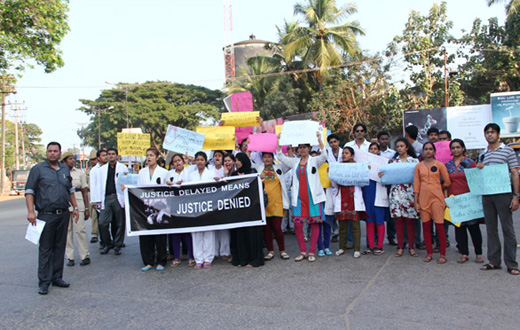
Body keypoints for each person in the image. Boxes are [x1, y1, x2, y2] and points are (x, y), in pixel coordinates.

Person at [25, 142, 80, 295]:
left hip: (63, 214)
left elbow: (70, 190)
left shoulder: (64, 169)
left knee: (59, 247)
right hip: (45, 215)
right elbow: (29, 191)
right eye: (50, 151)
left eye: (55, 151)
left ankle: (57, 277)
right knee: (45, 249)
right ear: (46, 153)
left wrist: (75, 208)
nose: (52, 153)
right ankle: (44, 282)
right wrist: (31, 212)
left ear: (59, 153)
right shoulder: (38, 169)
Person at [277, 131, 327, 262]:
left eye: (305, 147)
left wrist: (320, 140)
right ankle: (303, 251)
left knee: (315, 224)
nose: (302, 149)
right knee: (298, 225)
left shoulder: (315, 160)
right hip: (298, 198)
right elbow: (281, 157)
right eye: (300, 147)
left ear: (309, 148)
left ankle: (311, 252)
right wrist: (278, 141)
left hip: (313, 198)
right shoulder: (295, 162)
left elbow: (325, 155)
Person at [478, 123, 520, 275]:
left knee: (507, 229)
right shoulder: (483, 154)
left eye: (492, 132)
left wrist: (516, 196)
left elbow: (514, 173)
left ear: (498, 134)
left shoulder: (508, 151)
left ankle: (512, 263)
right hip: (487, 195)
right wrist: (479, 167)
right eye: (487, 132)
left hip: (503, 194)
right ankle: (494, 261)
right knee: (491, 229)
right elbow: (480, 176)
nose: (490, 135)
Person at [445, 139, 483, 264]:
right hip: (455, 200)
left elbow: (476, 179)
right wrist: (447, 199)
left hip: (469, 199)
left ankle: (478, 253)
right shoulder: (448, 165)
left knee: (473, 227)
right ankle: (464, 253)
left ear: (463, 148)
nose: (455, 150)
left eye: (458, 147)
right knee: (459, 228)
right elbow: (445, 183)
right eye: (453, 148)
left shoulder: (469, 163)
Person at [380, 138, 419, 258]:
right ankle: (400, 246)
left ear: (407, 147)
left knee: (410, 221)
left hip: (409, 194)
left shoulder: (414, 161)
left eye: (402, 146)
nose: (400, 148)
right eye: (398, 146)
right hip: (396, 194)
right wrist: (381, 175)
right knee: (398, 221)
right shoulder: (392, 162)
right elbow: (385, 177)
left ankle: (411, 246)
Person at [414, 142, 451, 264]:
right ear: (423, 151)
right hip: (423, 199)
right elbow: (416, 185)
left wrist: (438, 188)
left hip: (437, 198)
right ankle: (429, 253)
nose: (428, 151)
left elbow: (447, 181)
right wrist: (416, 202)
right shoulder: (419, 166)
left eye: (430, 149)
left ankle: (442, 254)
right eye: (426, 149)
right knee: (426, 226)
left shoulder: (440, 165)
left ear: (434, 151)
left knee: (439, 226)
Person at [136, 147, 169, 271]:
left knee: (160, 234)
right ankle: (148, 261)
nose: (148, 157)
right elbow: (138, 189)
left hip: (159, 206)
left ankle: (161, 260)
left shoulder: (164, 172)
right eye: (147, 155)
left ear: (157, 157)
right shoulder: (142, 172)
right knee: (146, 234)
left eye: (151, 155)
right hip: (145, 206)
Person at [230, 152, 265, 267]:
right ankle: (241, 259)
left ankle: (253, 260)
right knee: (240, 235)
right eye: (235, 160)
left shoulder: (252, 173)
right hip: (238, 212)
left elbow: (258, 188)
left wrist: (261, 182)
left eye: (238, 160)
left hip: (251, 211)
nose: (236, 162)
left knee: (251, 235)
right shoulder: (234, 174)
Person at [333, 147, 369, 258]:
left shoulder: (358, 167)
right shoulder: (338, 167)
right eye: (343, 153)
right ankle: (341, 248)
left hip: (353, 199)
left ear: (352, 156)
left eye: (347, 153)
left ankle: (357, 249)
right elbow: (334, 184)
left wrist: (364, 172)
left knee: (355, 226)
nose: (344, 155)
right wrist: (332, 174)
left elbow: (362, 184)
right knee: (342, 227)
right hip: (342, 198)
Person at [254, 152, 290, 261]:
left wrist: (287, 150)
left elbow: (289, 163)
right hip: (264, 203)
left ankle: (282, 250)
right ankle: (270, 251)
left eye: (269, 157)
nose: (267, 159)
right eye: (265, 157)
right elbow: (248, 162)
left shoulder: (279, 168)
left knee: (277, 228)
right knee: (267, 229)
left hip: (277, 202)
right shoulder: (258, 168)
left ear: (272, 158)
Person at [93, 148, 129, 255]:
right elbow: (97, 186)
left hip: (119, 197)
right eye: (109, 154)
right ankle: (108, 243)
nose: (111, 156)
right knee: (102, 223)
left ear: (117, 156)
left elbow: (128, 182)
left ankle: (118, 245)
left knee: (120, 223)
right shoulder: (102, 170)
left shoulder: (123, 168)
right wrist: (96, 200)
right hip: (106, 198)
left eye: (113, 154)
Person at [188, 151, 217, 269]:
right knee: (196, 233)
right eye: (197, 160)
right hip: (195, 207)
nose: (199, 162)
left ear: (205, 161)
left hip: (208, 206)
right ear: (194, 161)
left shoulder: (211, 173)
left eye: (202, 160)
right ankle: (198, 259)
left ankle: (208, 258)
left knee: (208, 233)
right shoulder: (191, 175)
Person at [166, 153, 195, 267]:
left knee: (188, 232)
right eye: (175, 161)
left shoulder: (189, 171)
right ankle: (176, 257)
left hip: (187, 205)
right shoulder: (170, 174)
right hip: (174, 205)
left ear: (183, 161)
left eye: (179, 160)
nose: (177, 163)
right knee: (176, 232)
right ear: (172, 164)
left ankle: (191, 257)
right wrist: (170, 184)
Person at [62, 152, 91, 267]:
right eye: (70, 159)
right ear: (64, 161)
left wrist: (87, 207)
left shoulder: (79, 173)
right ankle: (70, 257)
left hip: (78, 203)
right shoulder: (59, 172)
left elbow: (84, 191)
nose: (73, 161)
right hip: (64, 204)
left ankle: (85, 255)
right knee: (67, 231)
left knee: (80, 230)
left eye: (73, 159)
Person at [361, 143, 389, 255]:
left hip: (379, 194)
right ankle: (371, 246)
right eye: (371, 149)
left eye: (375, 149)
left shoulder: (383, 164)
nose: (373, 150)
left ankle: (380, 246)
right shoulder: (363, 164)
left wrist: (383, 175)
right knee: (369, 221)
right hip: (367, 194)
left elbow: (388, 179)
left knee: (379, 221)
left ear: (378, 151)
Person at [210, 150, 231, 261]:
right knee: (213, 227)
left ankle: (225, 251)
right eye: (215, 156)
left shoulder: (226, 169)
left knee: (224, 228)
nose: (217, 157)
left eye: (219, 156)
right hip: (212, 201)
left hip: (224, 200)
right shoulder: (209, 170)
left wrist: (224, 176)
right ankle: (214, 252)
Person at [377, 131, 397, 246]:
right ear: (378, 140)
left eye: (386, 139)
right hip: (377, 183)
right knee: (377, 211)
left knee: (391, 211)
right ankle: (376, 237)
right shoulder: (374, 153)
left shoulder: (393, 153)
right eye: (382, 139)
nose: (384, 141)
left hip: (389, 184)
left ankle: (391, 236)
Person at [89, 149, 108, 247]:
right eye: (103, 155)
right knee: (101, 222)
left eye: (106, 155)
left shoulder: (111, 167)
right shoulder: (94, 170)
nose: (106, 157)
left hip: (109, 198)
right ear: (98, 158)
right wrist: (94, 201)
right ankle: (104, 241)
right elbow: (93, 186)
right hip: (99, 200)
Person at [86, 150, 99, 244]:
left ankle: (94, 234)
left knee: (95, 215)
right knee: (91, 214)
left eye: (94, 159)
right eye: (91, 160)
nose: (92, 161)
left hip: (97, 194)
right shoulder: (89, 170)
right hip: (89, 193)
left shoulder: (101, 169)